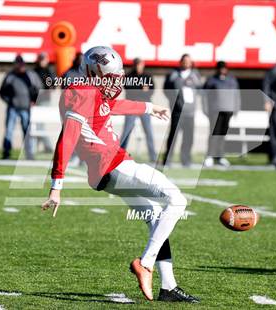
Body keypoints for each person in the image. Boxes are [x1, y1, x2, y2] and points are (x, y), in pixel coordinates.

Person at [41, 46, 199, 303]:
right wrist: (57, 184)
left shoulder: (89, 90)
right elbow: (67, 139)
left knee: (156, 218)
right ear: (94, 73)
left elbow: (112, 106)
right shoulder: (80, 92)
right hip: (113, 164)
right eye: (110, 77)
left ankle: (168, 287)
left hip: (107, 172)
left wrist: (149, 108)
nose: (115, 81)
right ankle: (145, 264)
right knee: (177, 201)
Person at [0, 55, 42, 160]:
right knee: (9, 130)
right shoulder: (10, 76)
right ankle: (6, 152)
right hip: (13, 108)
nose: (19, 66)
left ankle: (29, 153)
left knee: (27, 131)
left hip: (26, 108)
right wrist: (9, 101)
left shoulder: (30, 76)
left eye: (21, 64)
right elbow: (2, 92)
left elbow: (39, 88)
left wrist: (34, 100)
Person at [162, 54, 201, 167]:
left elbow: (200, 89)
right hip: (178, 111)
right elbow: (166, 89)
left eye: (189, 61)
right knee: (173, 136)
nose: (187, 63)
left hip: (190, 111)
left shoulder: (195, 75)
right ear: (181, 62)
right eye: (185, 61)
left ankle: (186, 160)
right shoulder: (173, 74)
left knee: (189, 137)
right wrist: (174, 101)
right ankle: (167, 159)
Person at [202, 61, 240, 167]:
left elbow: (236, 95)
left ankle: (220, 156)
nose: (222, 70)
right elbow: (205, 96)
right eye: (220, 68)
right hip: (215, 110)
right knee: (214, 133)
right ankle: (209, 156)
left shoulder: (232, 80)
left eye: (224, 68)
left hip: (227, 110)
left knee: (222, 134)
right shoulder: (211, 80)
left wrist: (236, 109)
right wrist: (205, 109)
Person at [120, 58, 156, 162]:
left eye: (140, 65)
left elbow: (151, 90)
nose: (138, 67)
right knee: (126, 131)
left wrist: (143, 91)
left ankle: (153, 157)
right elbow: (129, 90)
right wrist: (142, 89)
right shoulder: (129, 76)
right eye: (136, 65)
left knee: (149, 132)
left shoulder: (147, 76)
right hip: (131, 107)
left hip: (144, 107)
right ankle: (120, 155)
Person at [33, 52, 56, 153]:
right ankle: (40, 147)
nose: (42, 61)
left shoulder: (49, 71)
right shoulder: (34, 71)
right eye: (41, 59)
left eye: (44, 59)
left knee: (39, 125)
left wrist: (50, 87)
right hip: (35, 101)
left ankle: (48, 147)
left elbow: (54, 84)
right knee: (35, 125)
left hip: (44, 101)